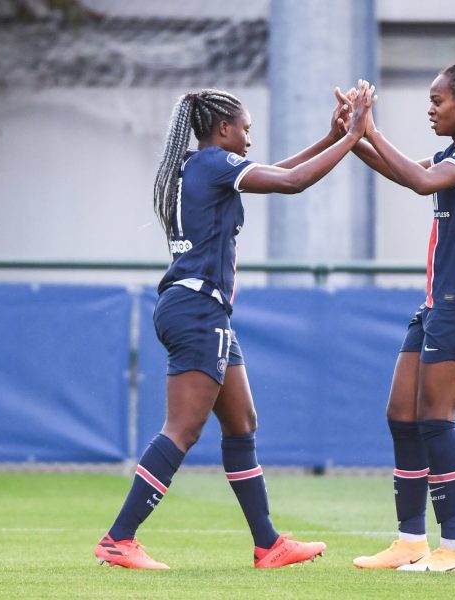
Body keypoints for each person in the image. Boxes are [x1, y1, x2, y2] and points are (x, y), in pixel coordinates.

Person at [95, 83, 374, 570]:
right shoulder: (215, 164)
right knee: (182, 429)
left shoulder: (196, 165)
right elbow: (292, 183)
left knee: (241, 424)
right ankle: (119, 538)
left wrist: (331, 139)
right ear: (222, 130)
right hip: (199, 310)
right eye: (245, 129)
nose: (249, 138)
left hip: (198, 309)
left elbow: (279, 172)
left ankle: (267, 544)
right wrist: (354, 136)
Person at [348, 62, 455, 573]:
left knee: (435, 420)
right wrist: (352, 137)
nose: (431, 108)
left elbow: (421, 182)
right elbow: (408, 173)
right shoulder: (454, 153)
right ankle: (409, 541)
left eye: (437, 99)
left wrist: (371, 130)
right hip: (437, 303)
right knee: (402, 415)